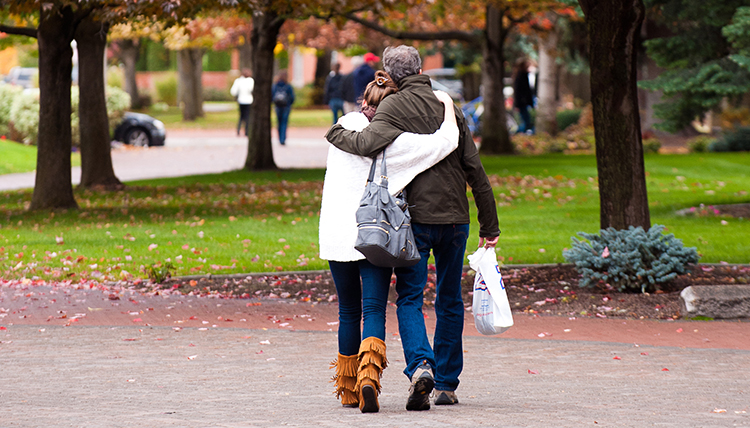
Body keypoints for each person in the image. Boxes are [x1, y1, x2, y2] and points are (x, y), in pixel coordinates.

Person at [325, 45, 500, 411]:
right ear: (419, 68)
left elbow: (367, 144)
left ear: (389, 74)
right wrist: (490, 224)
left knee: (410, 298)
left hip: (416, 219)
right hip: (456, 217)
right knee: (450, 300)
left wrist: (335, 133)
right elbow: (475, 169)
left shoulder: (393, 105)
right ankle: (448, 385)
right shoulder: (446, 105)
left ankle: (421, 365)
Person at [322, 70, 460, 414]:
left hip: (335, 234)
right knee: (373, 309)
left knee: (347, 311)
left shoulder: (344, 125)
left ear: (362, 100)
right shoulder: (397, 142)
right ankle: (369, 378)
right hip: (373, 234)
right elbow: (446, 142)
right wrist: (446, 102)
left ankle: (349, 389)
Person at [272, 71, 295, 145]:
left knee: (278, 122)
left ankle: (279, 138)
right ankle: (283, 138)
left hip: (278, 106)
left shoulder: (275, 85)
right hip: (286, 106)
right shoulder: (288, 86)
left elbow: (272, 95)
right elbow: (292, 97)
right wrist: (289, 103)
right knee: (284, 123)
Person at [513, 58, 535, 134]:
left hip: (523, 103)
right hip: (522, 103)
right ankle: (516, 134)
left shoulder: (523, 75)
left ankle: (517, 134)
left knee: (527, 121)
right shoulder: (521, 76)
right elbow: (520, 91)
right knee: (526, 122)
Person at [230, 68, 254, 136]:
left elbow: (233, 91)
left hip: (241, 100)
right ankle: (247, 131)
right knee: (248, 116)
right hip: (249, 101)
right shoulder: (251, 81)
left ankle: (238, 130)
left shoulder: (238, 81)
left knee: (241, 116)